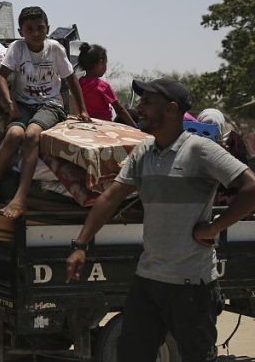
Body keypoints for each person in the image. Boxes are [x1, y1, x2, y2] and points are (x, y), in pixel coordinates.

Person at [66, 78, 255, 362]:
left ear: (171, 109)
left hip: (192, 284)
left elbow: (251, 187)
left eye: (147, 102)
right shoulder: (143, 152)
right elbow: (110, 198)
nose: (139, 108)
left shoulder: (200, 150)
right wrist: (81, 244)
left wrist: (214, 227)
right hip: (149, 280)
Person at [0, 6, 89, 219]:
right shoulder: (17, 48)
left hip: (50, 104)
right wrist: (10, 103)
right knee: (13, 134)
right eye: (30, 29)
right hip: (23, 104)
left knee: (32, 135)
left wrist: (82, 109)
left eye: (40, 28)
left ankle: (21, 197)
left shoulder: (55, 49)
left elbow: (71, 78)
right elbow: (1, 76)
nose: (35, 33)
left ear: (47, 29)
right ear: (21, 31)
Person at [77, 43, 136, 126]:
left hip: (85, 122)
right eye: (105, 63)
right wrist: (135, 126)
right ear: (100, 63)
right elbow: (120, 110)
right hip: (103, 125)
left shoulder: (79, 83)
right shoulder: (102, 86)